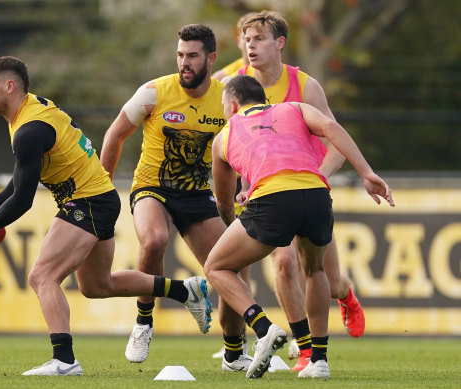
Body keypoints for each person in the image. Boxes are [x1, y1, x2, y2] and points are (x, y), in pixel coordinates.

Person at [0, 56, 212, 376]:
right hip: (98, 198)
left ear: (9, 86)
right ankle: (184, 290)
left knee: (41, 277)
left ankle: (64, 360)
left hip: (87, 201)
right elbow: (23, 179)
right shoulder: (29, 112)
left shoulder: (29, 129)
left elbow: (23, 199)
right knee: (97, 286)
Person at [206, 74, 394, 379]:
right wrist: (366, 172)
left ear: (232, 105)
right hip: (317, 193)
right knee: (315, 271)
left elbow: (225, 202)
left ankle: (263, 327)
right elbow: (333, 129)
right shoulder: (294, 107)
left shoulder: (224, 136)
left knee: (216, 267)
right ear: (265, 101)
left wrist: (233, 225)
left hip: (272, 201)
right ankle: (318, 360)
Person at [100, 24, 251, 372]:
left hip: (198, 195)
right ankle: (143, 322)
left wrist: (248, 184)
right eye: (180, 55)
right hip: (152, 187)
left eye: (192, 56)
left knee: (230, 269)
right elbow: (115, 134)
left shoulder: (228, 99)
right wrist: (103, 188)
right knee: (154, 240)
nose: (185, 62)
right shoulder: (154, 91)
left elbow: (244, 146)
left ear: (211, 59)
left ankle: (233, 354)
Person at [223, 10, 366, 371]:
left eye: (258, 39)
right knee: (284, 263)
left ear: (280, 43)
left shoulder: (305, 86)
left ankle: (345, 295)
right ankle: (308, 350)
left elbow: (336, 139)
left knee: (327, 282)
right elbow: (239, 145)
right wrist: (243, 185)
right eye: (246, 39)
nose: (249, 45)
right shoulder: (233, 84)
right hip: (270, 193)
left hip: (307, 185)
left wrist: (314, 174)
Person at [211, 12, 256, 81]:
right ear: (238, 42)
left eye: (259, 38)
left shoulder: (278, 73)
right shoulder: (221, 79)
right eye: (247, 39)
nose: (252, 44)